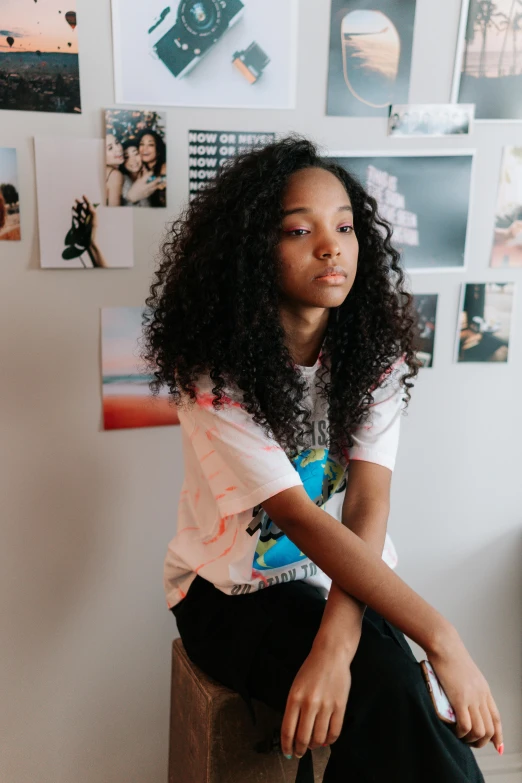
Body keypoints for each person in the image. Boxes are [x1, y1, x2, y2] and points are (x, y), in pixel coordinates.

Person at [143, 136, 502, 783]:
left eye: (344, 226)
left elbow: (368, 501)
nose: (331, 245)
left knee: (390, 694)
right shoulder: (215, 371)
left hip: (334, 578)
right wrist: (441, 637)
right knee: (394, 689)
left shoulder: (371, 358)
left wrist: (337, 646)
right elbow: (301, 518)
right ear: (256, 248)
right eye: (299, 229)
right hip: (226, 593)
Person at [120, 140, 164, 207]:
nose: (133, 160)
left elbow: (162, 180)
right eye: (127, 157)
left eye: (136, 154)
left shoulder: (148, 175)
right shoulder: (122, 180)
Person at [136, 129, 167, 207]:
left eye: (150, 145)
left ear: (158, 149)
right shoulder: (140, 169)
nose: (144, 149)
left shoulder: (165, 169)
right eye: (142, 144)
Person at [105, 133, 125, 206]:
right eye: (110, 148)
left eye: (117, 143)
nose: (118, 148)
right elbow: (114, 213)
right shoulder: (114, 175)